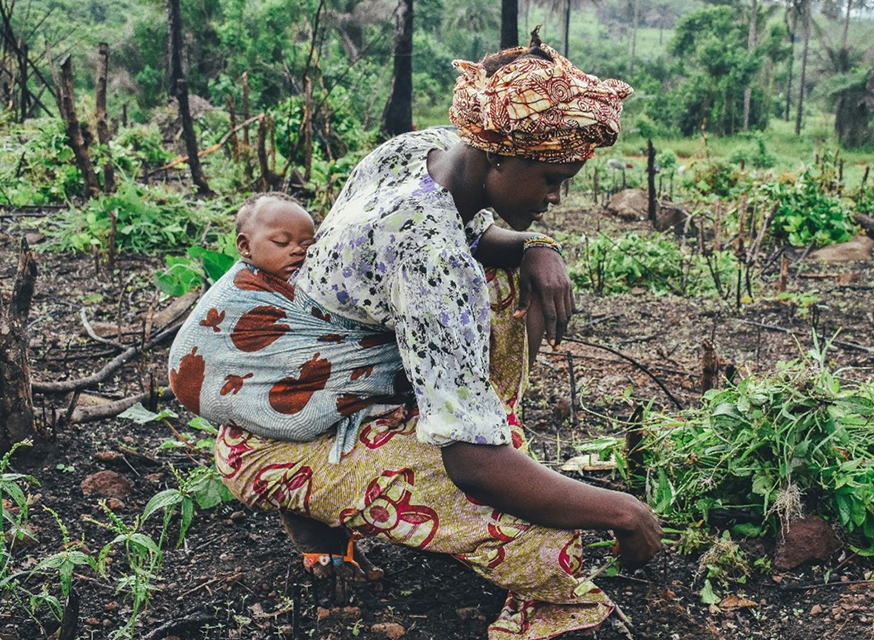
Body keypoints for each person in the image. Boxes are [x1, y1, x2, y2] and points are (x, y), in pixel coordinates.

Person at [170, 32, 662, 640]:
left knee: (507, 283)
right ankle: (545, 607)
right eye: (551, 179)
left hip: (323, 382)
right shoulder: (427, 254)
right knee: (555, 544)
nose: (556, 198)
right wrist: (622, 512)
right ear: (498, 158)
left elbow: (475, 237)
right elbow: (474, 466)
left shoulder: (424, 151)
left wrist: (536, 244)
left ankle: (456, 436)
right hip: (275, 439)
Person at [170, 192, 391, 580]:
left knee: (320, 474)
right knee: (302, 480)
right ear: (245, 246)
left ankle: (341, 553)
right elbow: (211, 351)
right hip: (259, 427)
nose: (297, 252)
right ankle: (324, 558)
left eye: (307, 244)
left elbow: (331, 339)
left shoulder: (309, 286)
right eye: (282, 242)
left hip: (304, 416)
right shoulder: (240, 292)